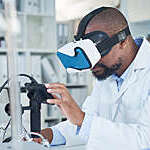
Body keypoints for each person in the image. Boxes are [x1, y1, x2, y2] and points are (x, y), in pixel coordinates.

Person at [34, 7, 150, 150]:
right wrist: (47, 135)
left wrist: (82, 119)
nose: (92, 64)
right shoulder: (108, 73)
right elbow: (86, 125)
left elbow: (145, 139)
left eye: (97, 53)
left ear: (123, 41)